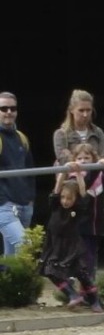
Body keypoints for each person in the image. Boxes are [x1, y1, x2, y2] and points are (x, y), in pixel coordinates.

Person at [40, 173, 104, 312]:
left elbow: (83, 194)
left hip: (71, 245)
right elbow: (56, 190)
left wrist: (80, 176)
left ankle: (94, 300)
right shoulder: (56, 206)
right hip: (55, 244)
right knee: (50, 271)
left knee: (82, 274)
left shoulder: (78, 209)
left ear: (75, 199)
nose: (65, 201)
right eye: (63, 197)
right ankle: (72, 295)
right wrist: (64, 172)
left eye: (69, 198)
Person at [65, 142, 104, 275]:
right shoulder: (72, 177)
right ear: (74, 160)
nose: (83, 161)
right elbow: (85, 185)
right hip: (78, 224)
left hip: (95, 224)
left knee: (92, 256)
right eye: (79, 158)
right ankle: (82, 286)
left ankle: (89, 285)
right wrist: (99, 166)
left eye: (87, 158)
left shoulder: (100, 175)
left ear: (93, 159)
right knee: (81, 257)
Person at [0, 92, 34, 256]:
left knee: (12, 259)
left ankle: (7, 283)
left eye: (12, 108)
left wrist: (30, 199)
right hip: (4, 206)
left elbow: (31, 171)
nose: (8, 112)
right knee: (25, 245)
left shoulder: (22, 138)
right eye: (3, 108)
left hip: (24, 205)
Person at [52, 89, 104, 165]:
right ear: (71, 110)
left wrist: (72, 156)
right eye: (81, 110)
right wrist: (95, 157)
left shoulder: (97, 132)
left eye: (88, 110)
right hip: (72, 176)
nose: (85, 114)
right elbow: (63, 161)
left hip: (95, 175)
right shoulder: (61, 134)